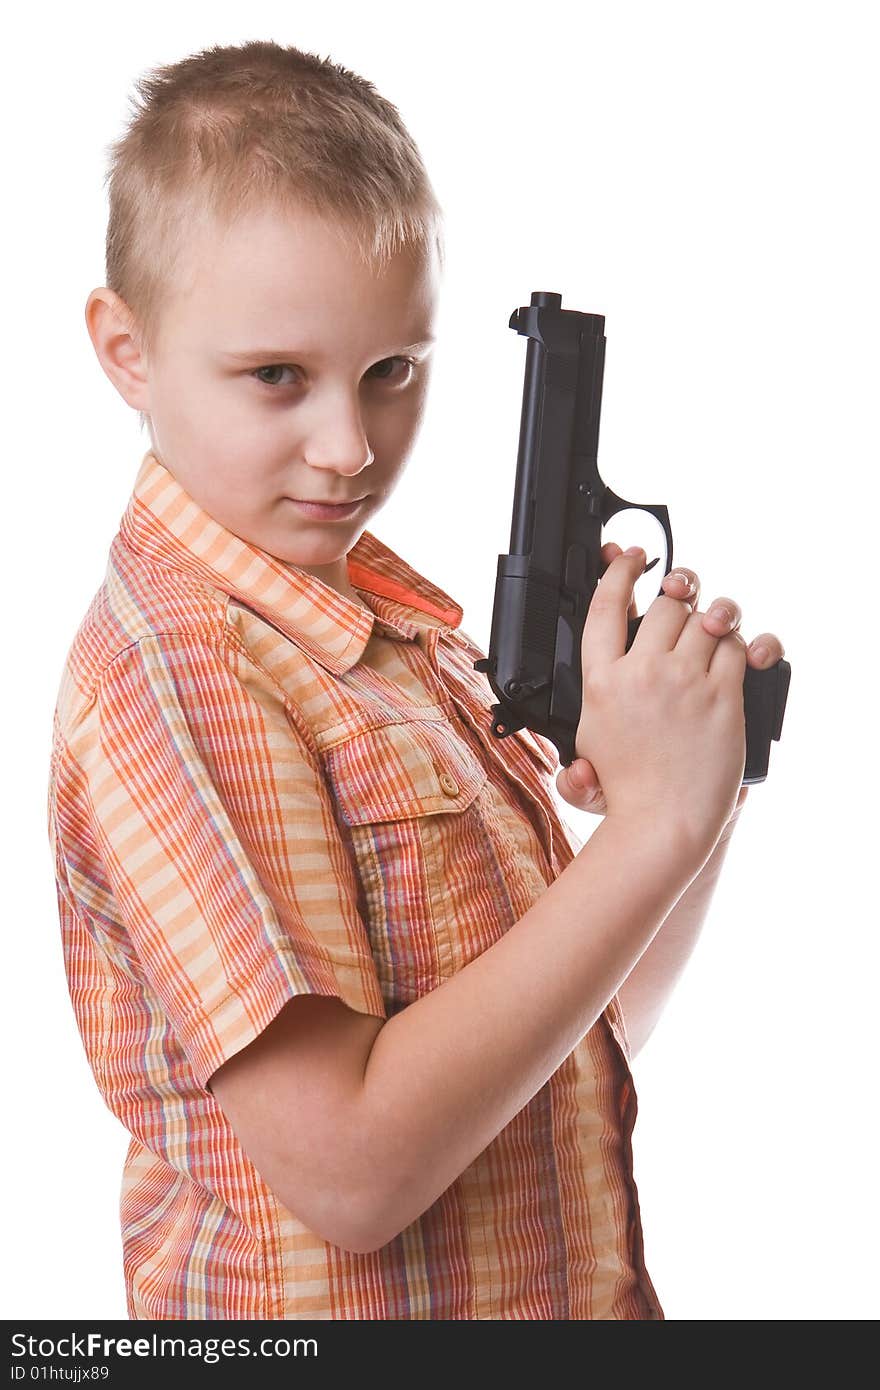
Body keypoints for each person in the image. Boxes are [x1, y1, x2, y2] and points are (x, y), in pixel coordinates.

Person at [46, 39, 785, 1321]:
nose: (349, 448)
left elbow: (571, 1060)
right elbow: (354, 1171)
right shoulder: (187, 679)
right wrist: (651, 827)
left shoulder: (385, 628)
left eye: (392, 372)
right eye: (278, 376)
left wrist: (692, 796)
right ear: (125, 349)